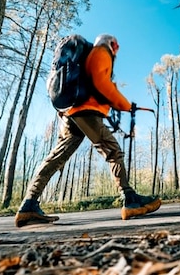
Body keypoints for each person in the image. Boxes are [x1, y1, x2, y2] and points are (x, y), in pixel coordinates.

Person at [14, 34, 161, 227]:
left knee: (57, 157)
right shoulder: (101, 51)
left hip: (69, 111)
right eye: (116, 45)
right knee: (113, 150)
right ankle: (130, 199)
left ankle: (29, 204)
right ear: (112, 44)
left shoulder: (79, 59)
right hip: (84, 110)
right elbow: (101, 81)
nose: (116, 49)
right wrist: (125, 105)